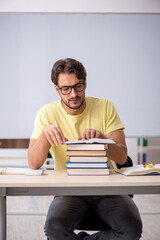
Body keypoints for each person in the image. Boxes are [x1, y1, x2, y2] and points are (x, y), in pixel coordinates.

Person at [28, 58, 143, 240]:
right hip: (69, 189)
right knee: (55, 229)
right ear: (57, 90)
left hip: (108, 188)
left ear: (85, 82)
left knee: (131, 229)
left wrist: (103, 140)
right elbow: (33, 164)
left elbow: (122, 158)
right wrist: (44, 134)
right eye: (66, 89)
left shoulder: (105, 106)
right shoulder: (46, 113)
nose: (73, 94)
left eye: (78, 86)